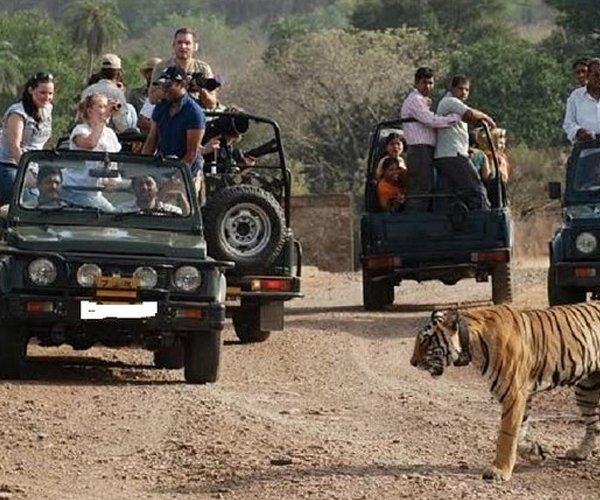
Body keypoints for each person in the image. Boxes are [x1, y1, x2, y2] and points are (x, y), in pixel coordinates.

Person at [400, 67, 461, 211]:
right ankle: (415, 219)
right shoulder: (414, 100)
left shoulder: (423, 101)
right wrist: (454, 118)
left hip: (425, 150)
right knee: (420, 188)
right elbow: (431, 120)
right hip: (419, 149)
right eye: (424, 82)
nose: (427, 86)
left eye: (430, 83)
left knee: (427, 186)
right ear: (416, 83)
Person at [434, 74, 496, 211]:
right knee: (476, 189)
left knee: (448, 192)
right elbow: (470, 114)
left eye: (467, 90)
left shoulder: (455, 105)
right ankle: (484, 217)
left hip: (449, 154)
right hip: (452, 154)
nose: (464, 92)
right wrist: (487, 118)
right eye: (460, 89)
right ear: (452, 88)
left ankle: (450, 219)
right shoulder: (449, 101)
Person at [0, 72, 54, 205]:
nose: (47, 97)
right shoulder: (18, 113)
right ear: (31, 90)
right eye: (42, 93)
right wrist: (25, 171)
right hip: (10, 166)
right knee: (32, 203)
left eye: (50, 93)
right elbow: (15, 147)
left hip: (34, 167)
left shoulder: (47, 109)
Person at [141, 66, 206, 176]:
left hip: (187, 171)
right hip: (163, 165)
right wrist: (143, 169)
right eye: (162, 85)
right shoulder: (161, 107)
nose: (164, 89)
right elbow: (152, 138)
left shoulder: (194, 113)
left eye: (168, 85)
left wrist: (176, 177)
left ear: (182, 84)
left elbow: (191, 153)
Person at [64, 93, 122, 210]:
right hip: (74, 189)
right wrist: (103, 120)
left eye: (106, 106)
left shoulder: (110, 134)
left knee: (114, 214)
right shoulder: (80, 130)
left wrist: (113, 180)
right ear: (90, 112)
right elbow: (90, 144)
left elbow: (113, 161)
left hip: (94, 192)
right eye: (102, 107)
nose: (106, 110)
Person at [151, 27, 217, 109]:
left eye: (187, 43)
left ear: (195, 47)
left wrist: (200, 89)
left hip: (196, 113)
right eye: (179, 42)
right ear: (173, 45)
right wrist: (171, 88)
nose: (183, 46)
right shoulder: (162, 67)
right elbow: (152, 99)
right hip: (168, 113)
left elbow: (211, 104)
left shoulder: (203, 68)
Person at [81, 54, 137, 133]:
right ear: (118, 74)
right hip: (107, 135)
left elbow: (81, 117)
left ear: (101, 73)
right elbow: (121, 125)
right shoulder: (116, 93)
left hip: (87, 133)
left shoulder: (88, 91)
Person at [564, 57, 600, 144]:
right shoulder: (575, 97)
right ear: (588, 75)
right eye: (596, 75)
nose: (598, 78)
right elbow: (568, 124)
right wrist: (579, 132)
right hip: (586, 146)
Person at [116, 175, 183, 214]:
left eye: (149, 184)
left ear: (157, 188)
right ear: (133, 189)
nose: (145, 188)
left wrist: (181, 197)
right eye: (140, 184)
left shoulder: (172, 212)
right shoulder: (122, 210)